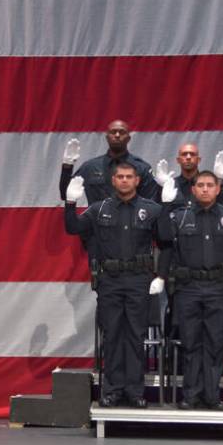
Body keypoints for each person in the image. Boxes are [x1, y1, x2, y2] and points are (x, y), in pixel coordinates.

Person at [63, 164, 164, 407]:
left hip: (139, 280)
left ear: (137, 180)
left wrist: (160, 275)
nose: (125, 180)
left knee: (135, 336)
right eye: (120, 177)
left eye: (129, 177)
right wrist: (69, 204)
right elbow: (72, 228)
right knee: (113, 336)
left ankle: (135, 392)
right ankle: (113, 391)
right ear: (113, 180)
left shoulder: (150, 209)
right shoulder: (99, 209)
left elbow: (167, 240)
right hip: (110, 280)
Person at [158, 171, 223, 410]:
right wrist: (166, 206)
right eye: (201, 185)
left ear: (218, 190)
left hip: (219, 288)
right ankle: (191, 394)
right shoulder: (180, 216)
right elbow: (163, 239)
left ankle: (211, 395)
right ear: (193, 190)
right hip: (188, 287)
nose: (206, 189)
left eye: (210, 185)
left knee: (214, 342)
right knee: (191, 342)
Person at [59, 119, 158, 206]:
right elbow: (65, 194)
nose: (117, 135)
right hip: (97, 225)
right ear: (107, 137)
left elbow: (151, 204)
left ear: (128, 138)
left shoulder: (141, 168)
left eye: (122, 132)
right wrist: (67, 166)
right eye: (113, 132)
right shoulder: (90, 167)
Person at [153, 142, 201, 209]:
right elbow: (158, 211)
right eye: (184, 154)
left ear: (199, 160)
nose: (188, 157)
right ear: (178, 160)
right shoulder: (171, 185)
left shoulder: (208, 185)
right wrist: (161, 187)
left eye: (192, 154)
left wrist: (220, 180)